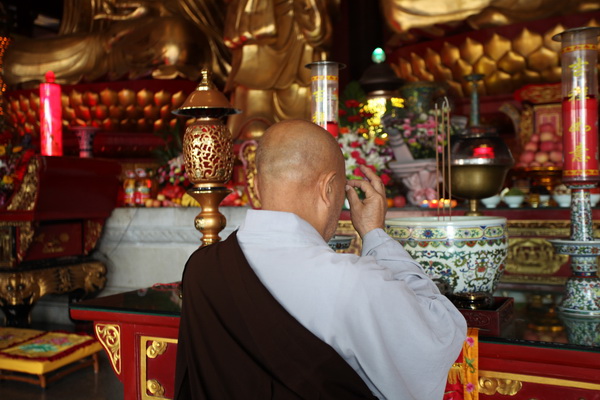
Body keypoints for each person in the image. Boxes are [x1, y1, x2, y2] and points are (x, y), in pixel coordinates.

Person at [175, 119, 467, 400]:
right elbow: (440, 334)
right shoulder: (353, 283)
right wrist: (374, 233)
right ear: (328, 189)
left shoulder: (201, 267)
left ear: (255, 184)